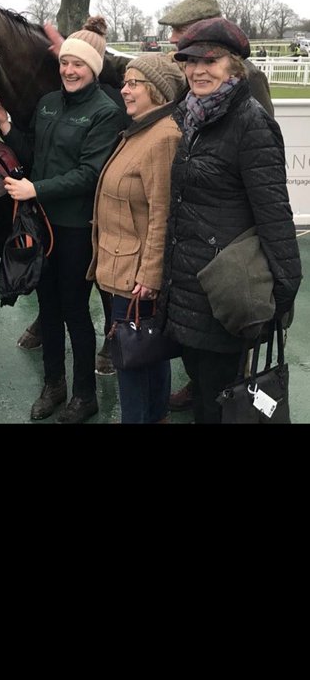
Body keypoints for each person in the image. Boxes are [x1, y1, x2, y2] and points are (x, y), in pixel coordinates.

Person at [158, 17, 301, 424]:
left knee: (220, 402)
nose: (198, 70)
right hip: (187, 286)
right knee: (203, 393)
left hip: (224, 292)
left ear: (234, 66)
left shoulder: (251, 123)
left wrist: (281, 297)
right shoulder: (191, 116)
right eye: (190, 61)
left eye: (211, 61)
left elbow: (275, 215)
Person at [0, 17, 122, 423]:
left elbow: (89, 174)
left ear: (93, 68)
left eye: (78, 64)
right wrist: (5, 124)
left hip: (77, 228)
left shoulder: (106, 112)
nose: (69, 70)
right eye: (64, 63)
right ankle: (53, 384)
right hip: (41, 225)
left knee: (75, 310)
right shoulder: (47, 103)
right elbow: (32, 153)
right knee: (47, 306)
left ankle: (84, 394)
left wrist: (36, 189)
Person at [88, 55, 186, 422]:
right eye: (125, 83)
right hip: (124, 266)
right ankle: (156, 415)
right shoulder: (143, 130)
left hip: (136, 276)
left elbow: (163, 213)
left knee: (131, 359)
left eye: (134, 84)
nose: (124, 90)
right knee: (148, 350)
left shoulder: (163, 138)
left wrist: (151, 274)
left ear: (157, 91)